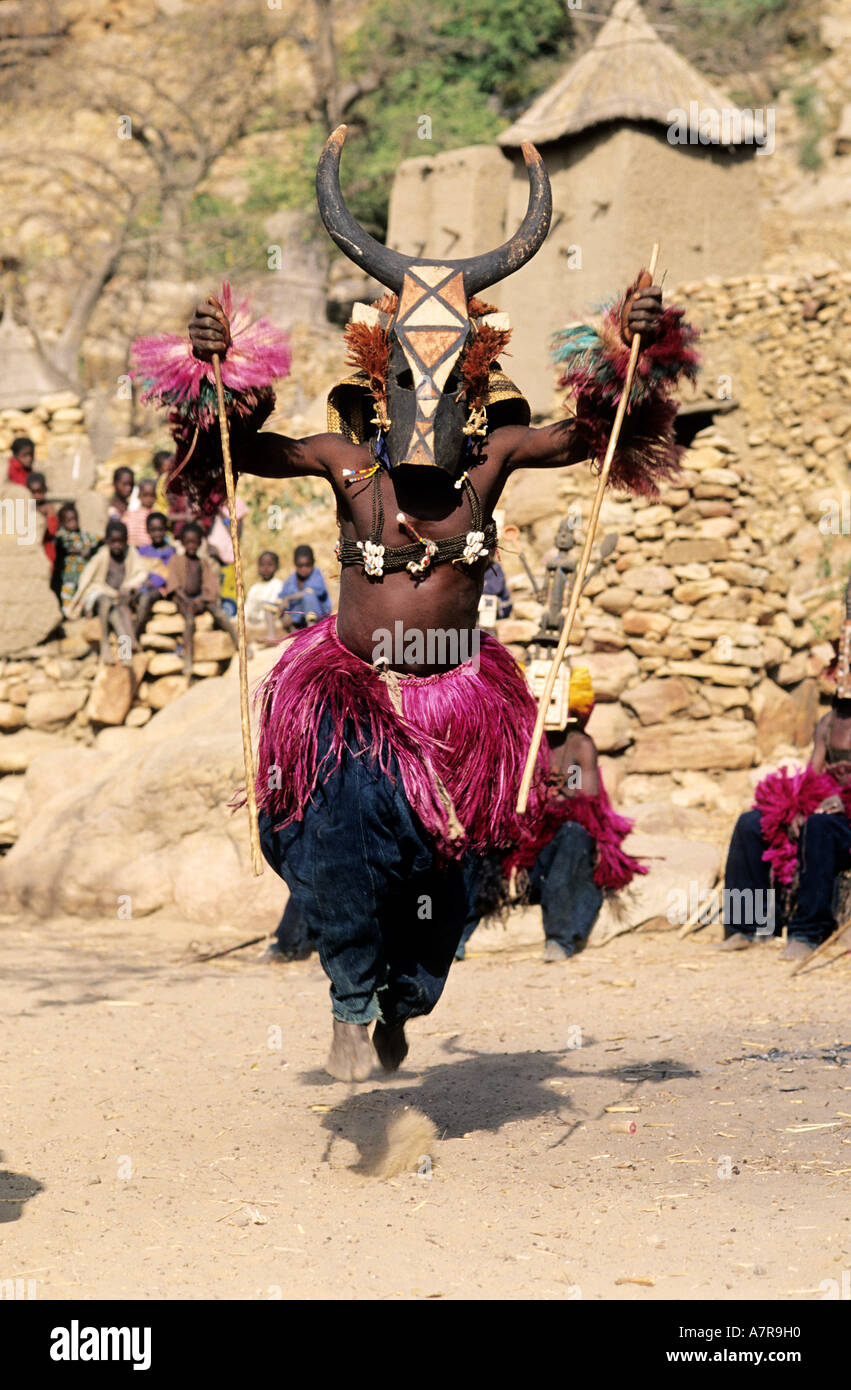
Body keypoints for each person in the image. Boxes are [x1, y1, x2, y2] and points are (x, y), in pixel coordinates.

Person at [176, 128, 692, 1081]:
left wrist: (631, 346)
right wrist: (218, 376)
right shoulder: (343, 462)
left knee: (449, 882)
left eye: (450, 381)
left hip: (462, 702)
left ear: (477, 381)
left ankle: (402, 1002)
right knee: (338, 831)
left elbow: (594, 431)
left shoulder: (493, 464)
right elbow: (229, 451)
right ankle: (345, 995)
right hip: (350, 696)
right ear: (378, 380)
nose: (430, 401)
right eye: (410, 379)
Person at [457, 668, 643, 962]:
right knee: (476, 835)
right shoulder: (519, 740)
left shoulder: (579, 746)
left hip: (556, 855)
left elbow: (588, 808)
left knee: (574, 835)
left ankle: (560, 937)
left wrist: (549, 798)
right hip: (516, 854)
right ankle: (456, 936)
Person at [720, 583, 851, 964]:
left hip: (841, 823)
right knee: (751, 823)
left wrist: (842, 803)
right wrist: (797, 806)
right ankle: (750, 925)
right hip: (828, 815)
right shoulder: (828, 723)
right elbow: (812, 778)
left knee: (820, 828)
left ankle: (809, 932)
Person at [67, 519, 148, 664]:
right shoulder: (101, 556)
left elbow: (141, 572)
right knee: (105, 602)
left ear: (126, 541)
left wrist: (128, 586)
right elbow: (88, 580)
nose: (117, 545)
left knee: (118, 616)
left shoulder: (130, 554)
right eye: (113, 541)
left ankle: (125, 653)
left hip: (118, 600)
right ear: (107, 541)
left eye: (120, 541)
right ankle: (105, 643)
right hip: (101, 594)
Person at [165, 521, 238, 675]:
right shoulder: (176, 560)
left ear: (200, 543)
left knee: (219, 614)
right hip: (184, 600)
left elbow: (210, 585)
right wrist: (187, 600)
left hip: (199, 599)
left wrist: (202, 600)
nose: (192, 546)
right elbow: (174, 585)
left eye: (195, 542)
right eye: (188, 542)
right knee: (189, 622)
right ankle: (188, 659)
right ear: (183, 542)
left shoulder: (203, 563)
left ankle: (239, 644)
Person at [134, 511, 176, 638]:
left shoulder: (170, 551)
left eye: (160, 529)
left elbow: (166, 574)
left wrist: (151, 583)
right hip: (141, 585)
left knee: (145, 598)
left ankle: (134, 634)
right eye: (153, 530)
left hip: (158, 589)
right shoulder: (142, 550)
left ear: (165, 530)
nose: (157, 533)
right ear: (147, 530)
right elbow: (136, 569)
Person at [52, 503, 99, 615]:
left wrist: (90, 550)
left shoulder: (85, 535)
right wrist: (79, 551)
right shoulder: (63, 537)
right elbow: (63, 548)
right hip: (68, 576)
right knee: (67, 595)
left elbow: (98, 542)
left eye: (75, 519)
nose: (73, 522)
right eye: (69, 520)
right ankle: (67, 614)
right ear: (62, 522)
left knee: (83, 595)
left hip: (84, 574)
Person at [279, 544, 332, 629]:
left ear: (313, 563)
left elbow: (310, 592)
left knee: (308, 597)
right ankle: (272, 633)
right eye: (300, 566)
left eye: (307, 565)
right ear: (295, 564)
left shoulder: (316, 574)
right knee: (269, 605)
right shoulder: (291, 579)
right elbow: (282, 597)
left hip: (318, 614)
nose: (304, 569)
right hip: (298, 615)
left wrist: (289, 598)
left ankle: (312, 629)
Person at [245, 550, 286, 641]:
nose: (266, 568)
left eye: (270, 565)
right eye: (262, 565)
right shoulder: (254, 588)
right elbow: (248, 607)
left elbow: (273, 608)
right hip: (253, 622)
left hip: (268, 622)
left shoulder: (278, 585)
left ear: (276, 567)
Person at [26, 472, 59, 564]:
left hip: (45, 549)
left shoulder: (48, 508)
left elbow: (52, 531)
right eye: (33, 492)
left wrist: (47, 515)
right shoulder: (24, 507)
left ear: (44, 491)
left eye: (39, 492)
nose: (36, 496)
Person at [125, 477, 157, 547]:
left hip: (147, 551)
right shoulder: (129, 515)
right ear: (139, 495)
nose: (148, 499)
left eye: (151, 495)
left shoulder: (155, 516)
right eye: (145, 495)